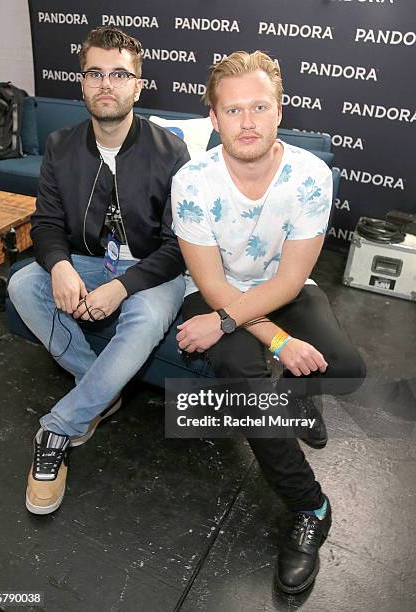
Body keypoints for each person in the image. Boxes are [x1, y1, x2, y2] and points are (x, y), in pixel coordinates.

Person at [171, 51, 366, 594]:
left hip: (283, 289)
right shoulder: (192, 180)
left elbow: (290, 278)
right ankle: (312, 506)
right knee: (243, 385)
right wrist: (276, 342)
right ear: (213, 119)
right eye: (233, 111)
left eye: (260, 106)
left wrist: (276, 336)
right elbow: (211, 285)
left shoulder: (311, 175)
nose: (248, 122)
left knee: (346, 367)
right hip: (214, 295)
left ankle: (300, 399)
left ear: (281, 110)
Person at [8, 27, 189, 515]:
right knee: (24, 281)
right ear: (82, 82)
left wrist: (121, 287)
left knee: (147, 318)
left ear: (138, 84)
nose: (106, 83)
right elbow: (46, 224)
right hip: (87, 260)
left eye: (119, 74)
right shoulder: (60, 145)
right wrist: (60, 266)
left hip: (151, 270)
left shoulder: (171, 152)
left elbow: (178, 249)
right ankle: (100, 391)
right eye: (95, 73)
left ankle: (58, 427)